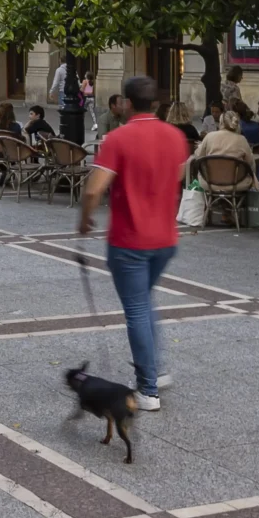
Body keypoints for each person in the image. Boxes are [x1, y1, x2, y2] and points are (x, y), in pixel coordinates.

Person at [77, 75, 189, 411]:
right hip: (165, 237)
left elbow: (94, 189)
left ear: (127, 103)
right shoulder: (175, 136)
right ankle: (157, 367)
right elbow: (178, 176)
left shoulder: (118, 138)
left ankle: (148, 388)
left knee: (137, 309)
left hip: (129, 239)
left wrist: (85, 220)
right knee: (144, 300)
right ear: (155, 103)